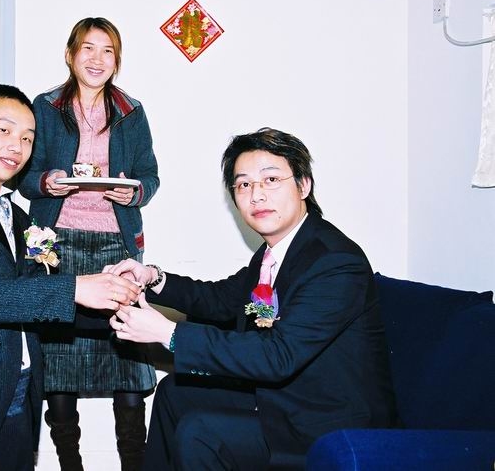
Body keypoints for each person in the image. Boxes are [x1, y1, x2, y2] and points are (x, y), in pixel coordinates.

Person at [105, 128, 397, 470]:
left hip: (329, 425)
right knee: (174, 391)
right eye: (243, 184)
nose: (256, 195)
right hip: (284, 400)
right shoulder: (276, 252)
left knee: (201, 432)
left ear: (303, 185)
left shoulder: (334, 261)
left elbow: (278, 355)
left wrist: (167, 333)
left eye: (271, 180)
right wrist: (153, 277)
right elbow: (221, 299)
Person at [0, 84, 141, 470]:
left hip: (23, 388)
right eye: (3, 130)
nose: (16, 146)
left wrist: (119, 304)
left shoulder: (19, 216)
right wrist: (76, 288)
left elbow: (34, 296)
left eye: (28, 138)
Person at [18, 17, 160, 471]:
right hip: (56, 243)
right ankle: (70, 465)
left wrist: (133, 192)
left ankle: (134, 464)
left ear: (117, 60)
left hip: (117, 245)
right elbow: (24, 173)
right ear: (70, 54)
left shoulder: (131, 111)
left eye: (108, 51)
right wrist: (48, 181)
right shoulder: (45, 107)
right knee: (59, 362)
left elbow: (150, 176)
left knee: (128, 359)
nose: (98, 59)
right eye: (88, 48)